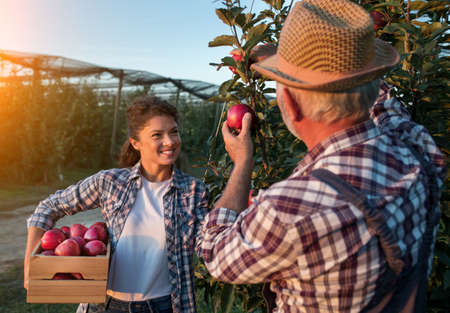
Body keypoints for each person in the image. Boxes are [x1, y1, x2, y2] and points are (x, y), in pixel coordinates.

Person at [199, 0, 446, 312]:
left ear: (289, 102)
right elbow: (381, 100)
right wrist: (306, 57)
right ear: (368, 84)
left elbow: (215, 252)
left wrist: (242, 164)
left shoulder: (292, 207)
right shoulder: (416, 147)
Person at [24, 96, 209, 313]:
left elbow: (209, 245)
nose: (170, 141)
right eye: (157, 135)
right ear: (136, 143)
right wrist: (30, 263)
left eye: (174, 132)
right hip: (106, 305)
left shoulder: (193, 191)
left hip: (165, 306)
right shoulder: (110, 183)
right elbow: (48, 208)